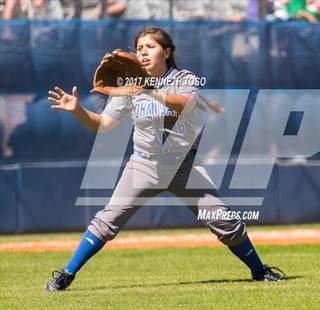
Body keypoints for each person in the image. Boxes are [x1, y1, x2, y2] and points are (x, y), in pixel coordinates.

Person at [45, 26, 287, 291]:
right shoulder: (130, 86)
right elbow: (103, 124)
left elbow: (186, 104)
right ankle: (65, 275)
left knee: (224, 221)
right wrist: (78, 110)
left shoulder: (184, 78)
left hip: (183, 165)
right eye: (139, 49)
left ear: (167, 51)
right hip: (144, 165)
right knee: (106, 221)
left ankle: (259, 270)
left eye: (150, 46)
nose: (143, 52)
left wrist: (148, 89)